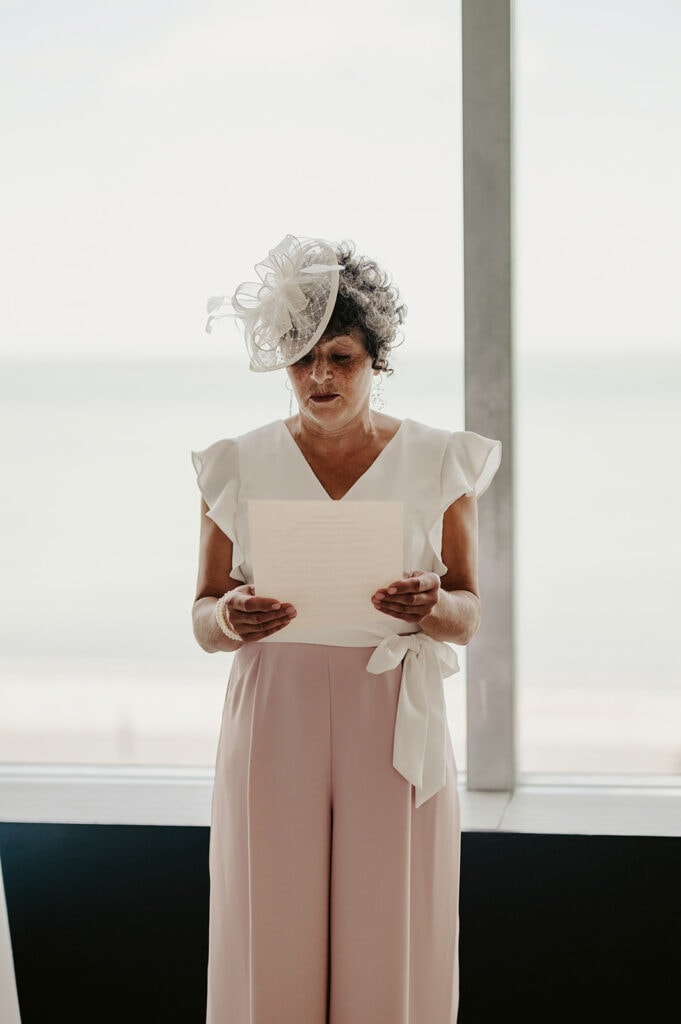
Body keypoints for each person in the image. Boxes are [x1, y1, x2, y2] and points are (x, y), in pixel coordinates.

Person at [192, 234, 501, 1024]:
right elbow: (201, 616)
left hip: (390, 705)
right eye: (301, 358)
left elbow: (467, 612)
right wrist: (230, 615)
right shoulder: (235, 462)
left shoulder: (439, 460)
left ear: (376, 359)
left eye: (341, 357)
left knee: (390, 925)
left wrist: (429, 607)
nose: (320, 377)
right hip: (274, 709)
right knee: (269, 920)